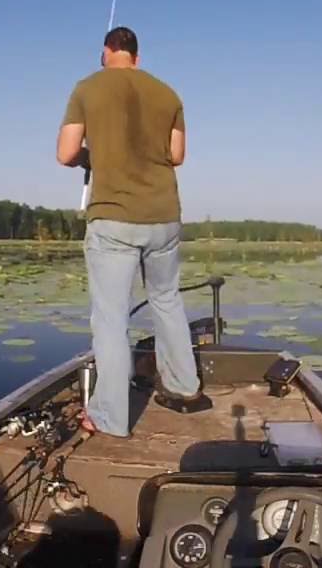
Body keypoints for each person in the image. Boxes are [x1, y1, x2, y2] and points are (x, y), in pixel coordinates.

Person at [56, 26, 210, 438]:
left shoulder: (86, 88)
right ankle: (183, 387)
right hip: (163, 217)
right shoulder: (169, 93)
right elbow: (176, 155)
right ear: (137, 57)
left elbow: (66, 153)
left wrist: (94, 157)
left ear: (107, 53)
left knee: (110, 319)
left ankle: (109, 417)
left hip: (114, 219)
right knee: (166, 300)